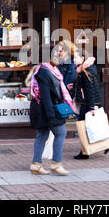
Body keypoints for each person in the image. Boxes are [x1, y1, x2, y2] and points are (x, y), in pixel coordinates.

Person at [29, 45, 76, 176]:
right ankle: (56, 164)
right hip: (46, 110)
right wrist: (51, 115)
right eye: (57, 53)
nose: (60, 55)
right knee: (61, 132)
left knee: (42, 135)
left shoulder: (51, 70)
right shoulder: (44, 71)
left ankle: (36, 165)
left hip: (44, 108)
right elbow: (45, 95)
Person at [72, 49, 107, 160]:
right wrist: (73, 86)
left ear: (82, 59)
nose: (74, 59)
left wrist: (92, 107)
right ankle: (103, 144)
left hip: (88, 103)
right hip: (88, 102)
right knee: (91, 126)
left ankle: (84, 153)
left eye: (76, 57)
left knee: (83, 127)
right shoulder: (83, 70)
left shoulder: (86, 71)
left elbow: (90, 89)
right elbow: (83, 86)